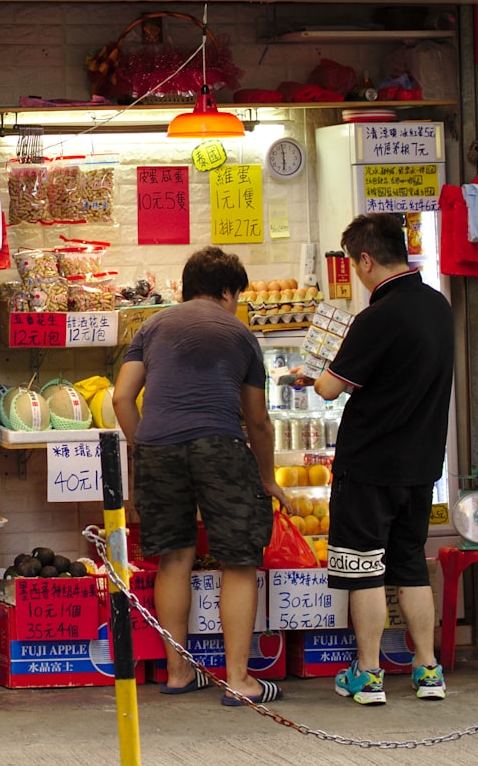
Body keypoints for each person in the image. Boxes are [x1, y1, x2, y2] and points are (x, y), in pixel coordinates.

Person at [113, 246, 291, 706]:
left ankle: (176, 672)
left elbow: (121, 398)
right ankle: (238, 680)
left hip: (157, 449)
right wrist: (267, 477)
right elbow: (258, 421)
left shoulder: (150, 327)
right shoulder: (240, 333)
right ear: (229, 291)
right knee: (238, 559)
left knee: (174, 558)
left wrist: (144, 447)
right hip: (220, 447)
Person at [297, 213, 453, 705]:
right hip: (422, 464)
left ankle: (368, 674)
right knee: (409, 564)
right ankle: (428, 670)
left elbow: (327, 389)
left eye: (354, 264)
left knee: (363, 569)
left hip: (368, 466)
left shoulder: (378, 316)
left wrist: (310, 372)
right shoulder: (438, 307)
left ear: (366, 259)